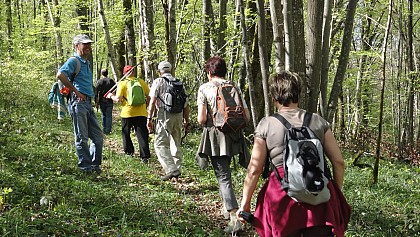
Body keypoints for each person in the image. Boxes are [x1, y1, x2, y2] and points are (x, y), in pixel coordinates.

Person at [237, 71, 351, 237]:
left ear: (274, 96)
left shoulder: (266, 124)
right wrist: (333, 192)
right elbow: (339, 162)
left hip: (281, 198)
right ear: (298, 93)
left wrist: (245, 203)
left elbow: (255, 169)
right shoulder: (318, 121)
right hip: (318, 192)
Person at [196, 56, 251, 234]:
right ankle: (230, 209)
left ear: (209, 72)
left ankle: (234, 218)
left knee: (223, 176)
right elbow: (247, 118)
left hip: (216, 136)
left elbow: (202, 118)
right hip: (235, 135)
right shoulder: (234, 86)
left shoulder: (205, 88)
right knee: (230, 175)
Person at [56, 34, 103, 173]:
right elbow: (60, 75)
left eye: (89, 44)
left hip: (87, 102)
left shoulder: (87, 63)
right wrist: (76, 92)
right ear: (77, 46)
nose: (88, 46)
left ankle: (95, 165)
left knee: (97, 136)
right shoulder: (73, 61)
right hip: (78, 102)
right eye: (84, 44)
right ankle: (85, 167)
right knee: (81, 136)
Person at [147, 61, 190, 181]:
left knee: (160, 143)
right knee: (176, 142)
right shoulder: (179, 83)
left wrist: (149, 118)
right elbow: (186, 104)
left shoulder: (158, 81)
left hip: (164, 114)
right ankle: (176, 170)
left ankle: (171, 170)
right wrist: (187, 121)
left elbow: (152, 101)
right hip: (179, 115)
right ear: (170, 69)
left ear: (159, 71)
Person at [106, 65, 151, 163]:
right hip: (141, 112)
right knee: (142, 134)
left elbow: (118, 99)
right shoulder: (141, 82)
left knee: (126, 133)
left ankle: (129, 153)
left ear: (124, 73)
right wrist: (146, 106)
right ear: (133, 72)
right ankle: (145, 156)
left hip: (127, 113)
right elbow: (149, 96)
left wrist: (110, 96)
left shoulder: (122, 83)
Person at [95, 68, 116, 134]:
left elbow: (96, 93)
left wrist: (96, 102)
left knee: (103, 115)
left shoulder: (99, 81)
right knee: (109, 115)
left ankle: (104, 129)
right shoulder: (111, 81)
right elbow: (116, 89)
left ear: (102, 73)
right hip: (109, 100)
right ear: (107, 73)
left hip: (102, 101)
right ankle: (108, 130)